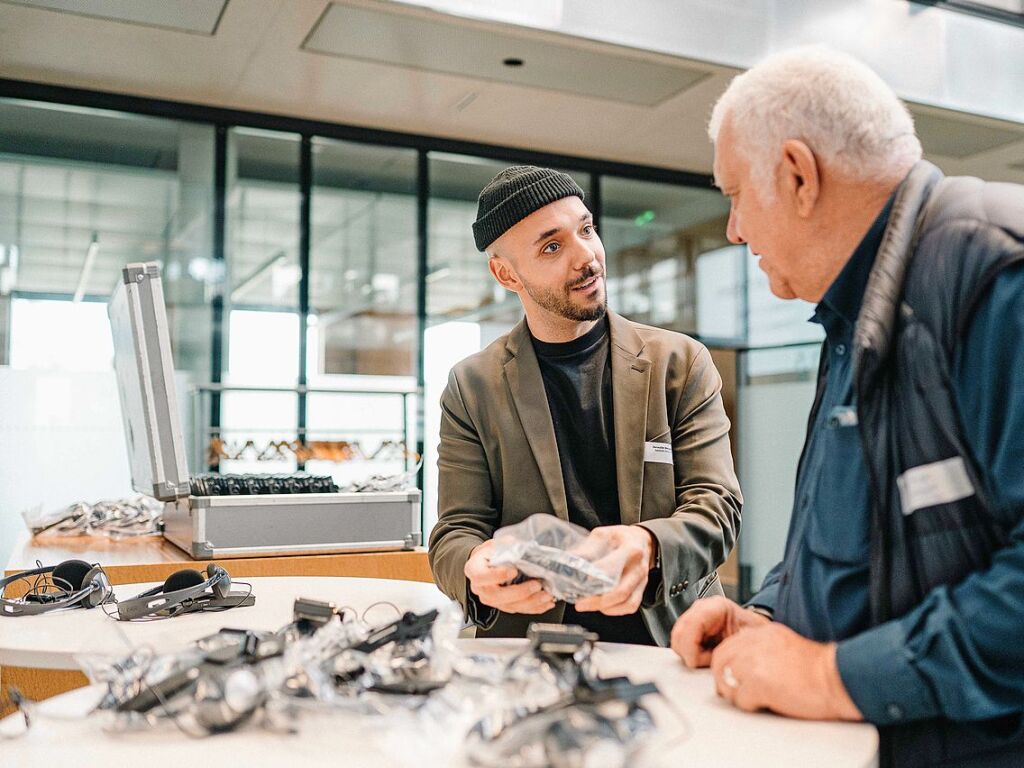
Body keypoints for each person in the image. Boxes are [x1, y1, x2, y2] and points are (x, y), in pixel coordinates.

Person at [670, 46, 1024, 767]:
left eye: (736, 193)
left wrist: (831, 676)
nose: (734, 230)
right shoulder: (858, 315)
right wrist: (766, 618)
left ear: (799, 176)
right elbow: (855, 536)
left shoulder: (992, 275)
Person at [428, 165, 742, 646]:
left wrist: (650, 546)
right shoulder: (473, 386)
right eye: (552, 246)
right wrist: (474, 569)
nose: (587, 257)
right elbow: (456, 530)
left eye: (587, 230)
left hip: (673, 641)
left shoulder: (677, 363)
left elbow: (717, 506)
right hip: (532, 652)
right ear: (506, 273)